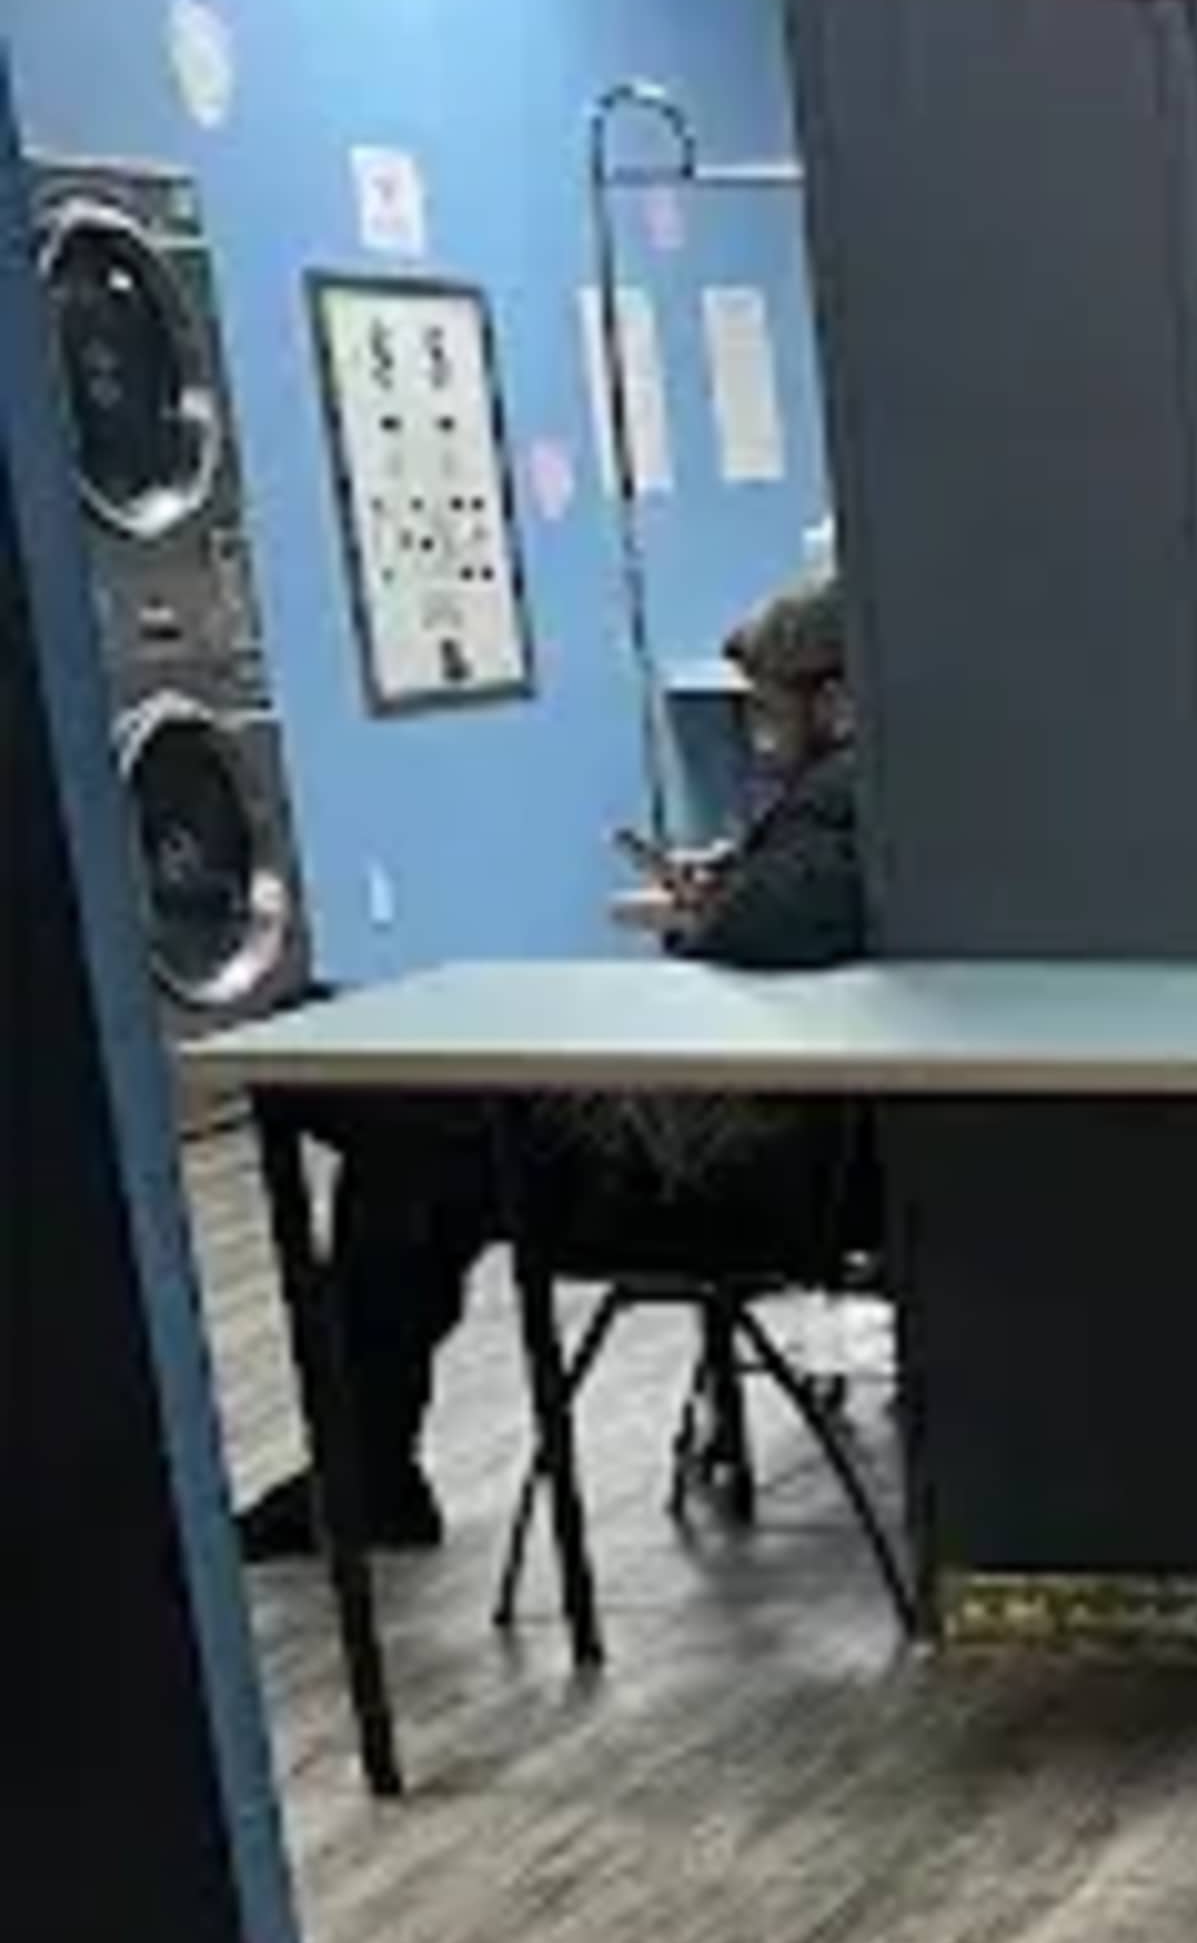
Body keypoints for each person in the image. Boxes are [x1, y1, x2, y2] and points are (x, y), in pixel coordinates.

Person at [237, 573, 872, 1559]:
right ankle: (367, 1477)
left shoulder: (840, 802)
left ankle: (364, 1478)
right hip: (741, 1153)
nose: (758, 737)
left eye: (770, 710)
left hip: (706, 1176)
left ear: (834, 704)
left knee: (338, 1066)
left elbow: (764, 932)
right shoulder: (877, 797)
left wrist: (720, 903)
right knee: (405, 1166)